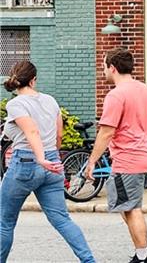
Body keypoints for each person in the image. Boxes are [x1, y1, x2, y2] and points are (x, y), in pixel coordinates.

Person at [1, 60, 95, 263]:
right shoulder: (50, 101)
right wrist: (51, 156)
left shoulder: (15, 104)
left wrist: (41, 158)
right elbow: (58, 134)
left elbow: (31, 130)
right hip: (53, 163)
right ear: (33, 80)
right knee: (62, 219)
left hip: (27, 164)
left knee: (5, 222)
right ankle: (89, 261)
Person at [86, 48, 147, 263]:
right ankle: (145, 242)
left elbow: (106, 132)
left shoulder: (116, 95)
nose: (102, 70)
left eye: (104, 66)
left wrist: (92, 161)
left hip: (128, 160)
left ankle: (143, 256)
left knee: (132, 208)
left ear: (112, 67)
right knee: (126, 205)